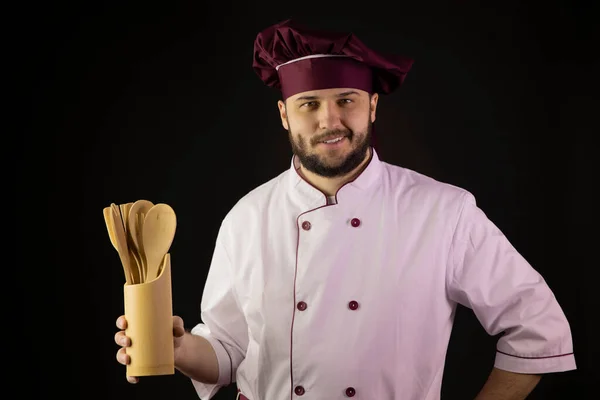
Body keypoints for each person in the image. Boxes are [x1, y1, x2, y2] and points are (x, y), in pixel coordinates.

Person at [114, 19, 576, 399]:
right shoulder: (247, 217)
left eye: (346, 101)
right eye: (309, 104)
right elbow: (229, 350)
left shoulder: (444, 212)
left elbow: (537, 326)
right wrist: (177, 349)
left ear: (372, 107)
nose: (328, 121)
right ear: (283, 115)